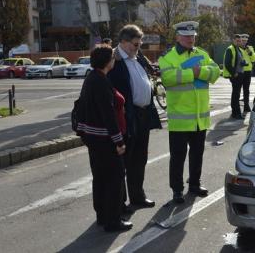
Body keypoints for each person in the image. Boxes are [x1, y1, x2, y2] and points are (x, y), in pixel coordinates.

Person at [159, 21, 220, 204]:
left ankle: (194, 183)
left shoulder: (202, 54)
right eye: (186, 36)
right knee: (177, 157)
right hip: (180, 119)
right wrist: (192, 73)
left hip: (200, 119)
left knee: (197, 154)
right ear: (177, 37)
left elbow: (216, 72)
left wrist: (198, 70)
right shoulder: (168, 57)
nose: (190, 39)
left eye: (193, 36)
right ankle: (177, 190)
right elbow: (168, 79)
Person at [76, 45, 132, 232]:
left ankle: (102, 215)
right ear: (108, 61)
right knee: (114, 179)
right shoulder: (100, 81)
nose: (114, 60)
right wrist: (119, 141)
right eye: (113, 58)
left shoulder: (92, 78)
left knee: (99, 178)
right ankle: (113, 220)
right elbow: (108, 115)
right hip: (105, 139)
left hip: (94, 139)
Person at [108, 24, 161, 210]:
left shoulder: (137, 56)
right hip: (127, 116)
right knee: (123, 161)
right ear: (123, 42)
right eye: (135, 44)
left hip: (143, 114)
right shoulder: (113, 60)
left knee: (140, 158)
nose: (138, 48)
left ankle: (137, 196)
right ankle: (119, 203)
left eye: (139, 44)